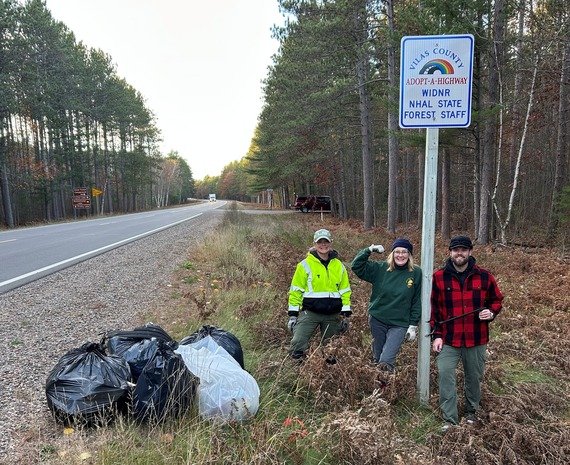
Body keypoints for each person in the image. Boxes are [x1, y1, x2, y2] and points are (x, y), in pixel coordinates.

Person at [430, 235, 503, 430]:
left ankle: (472, 413)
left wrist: (491, 312)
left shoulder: (485, 276)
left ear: (470, 252)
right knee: (445, 375)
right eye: (456, 250)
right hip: (448, 338)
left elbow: (496, 300)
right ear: (450, 253)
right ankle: (450, 420)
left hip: (476, 338)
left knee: (474, 378)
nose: (459, 253)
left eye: (463, 249)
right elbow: (434, 309)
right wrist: (436, 334)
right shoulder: (438, 277)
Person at [350, 238, 422, 376]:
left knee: (386, 360)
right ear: (392, 254)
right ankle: (381, 391)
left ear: (409, 255)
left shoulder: (416, 272)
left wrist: (413, 325)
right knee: (377, 358)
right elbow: (356, 266)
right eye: (397, 252)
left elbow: (416, 300)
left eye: (404, 252)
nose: (400, 255)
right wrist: (369, 250)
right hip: (378, 319)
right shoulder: (381, 268)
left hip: (399, 324)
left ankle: (386, 386)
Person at [287, 229, 352, 360]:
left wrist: (346, 315)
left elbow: (345, 290)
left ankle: (327, 374)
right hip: (310, 313)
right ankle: (298, 370)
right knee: (297, 342)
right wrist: (293, 315)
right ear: (314, 244)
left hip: (332, 315)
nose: (323, 245)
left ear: (331, 243)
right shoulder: (304, 265)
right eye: (320, 242)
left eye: (326, 241)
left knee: (331, 349)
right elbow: (296, 290)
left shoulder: (339, 266)